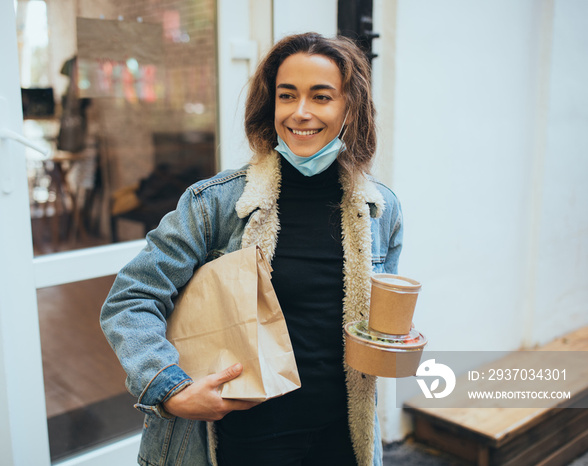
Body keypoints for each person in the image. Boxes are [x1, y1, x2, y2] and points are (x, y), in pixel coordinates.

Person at [100, 32, 402, 466]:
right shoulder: (216, 204)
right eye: (287, 95)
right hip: (246, 439)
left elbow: (376, 324)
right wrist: (170, 388)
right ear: (270, 104)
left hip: (344, 438)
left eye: (321, 97)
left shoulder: (381, 209)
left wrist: (395, 340)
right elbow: (131, 299)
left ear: (349, 107)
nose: (300, 112)